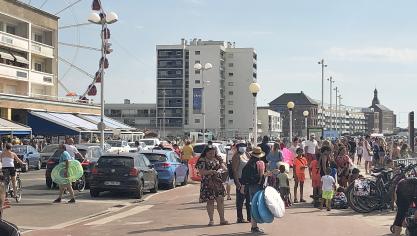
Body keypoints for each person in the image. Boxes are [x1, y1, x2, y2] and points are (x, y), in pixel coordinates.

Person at [196, 145, 229, 226]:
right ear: (206, 153)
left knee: (220, 200)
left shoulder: (217, 159)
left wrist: (222, 169)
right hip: (208, 183)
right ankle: (211, 220)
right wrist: (212, 171)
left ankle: (222, 219)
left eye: (213, 153)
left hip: (217, 182)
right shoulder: (202, 160)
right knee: (210, 201)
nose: (212, 155)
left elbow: (224, 168)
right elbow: (201, 172)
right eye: (210, 153)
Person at [240, 147, 265, 233]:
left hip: (251, 186)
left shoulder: (250, 163)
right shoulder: (254, 164)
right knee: (254, 206)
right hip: (254, 186)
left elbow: (244, 175)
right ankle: (254, 227)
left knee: (253, 205)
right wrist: (263, 175)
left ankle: (254, 226)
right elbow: (254, 177)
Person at [232, 142, 251, 223]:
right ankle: (240, 218)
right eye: (241, 146)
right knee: (240, 200)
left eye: (244, 146)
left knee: (249, 199)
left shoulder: (246, 154)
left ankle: (249, 217)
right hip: (240, 179)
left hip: (247, 179)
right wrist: (237, 182)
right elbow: (234, 170)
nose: (243, 148)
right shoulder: (236, 156)